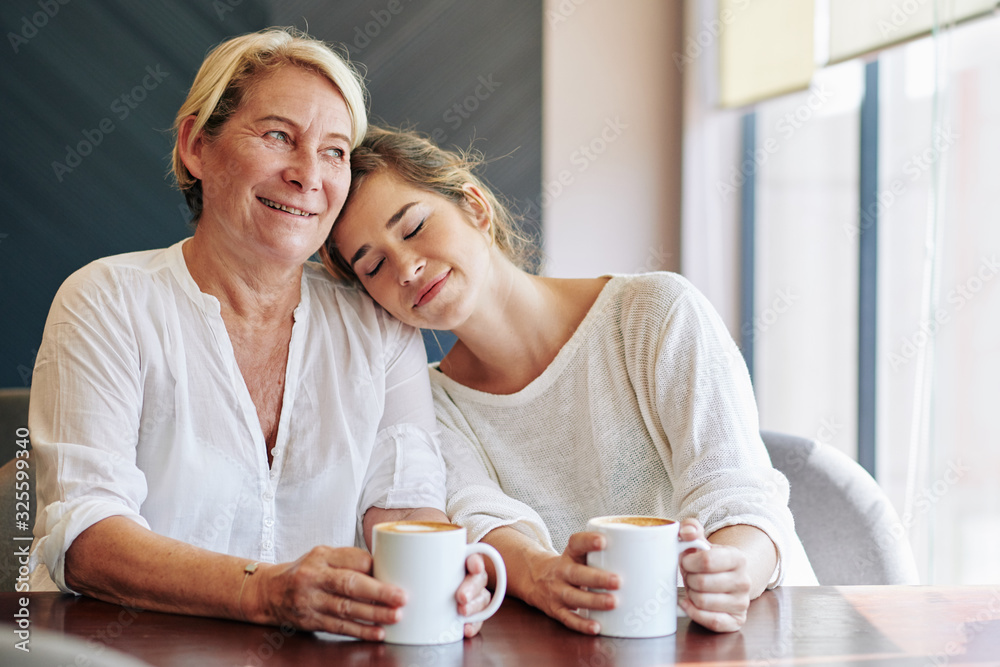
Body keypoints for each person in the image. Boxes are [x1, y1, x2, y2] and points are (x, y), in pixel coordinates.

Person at [28, 29, 491, 641]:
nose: (308, 175)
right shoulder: (106, 300)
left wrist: (442, 571)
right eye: (278, 136)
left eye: (333, 151)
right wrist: (266, 591)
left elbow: (404, 505)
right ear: (196, 147)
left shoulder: (377, 325)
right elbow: (86, 537)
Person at [324, 126, 819, 635]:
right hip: (596, 645)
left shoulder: (655, 314)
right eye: (375, 265)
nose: (406, 268)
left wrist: (734, 568)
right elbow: (482, 518)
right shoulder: (429, 404)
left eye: (413, 228)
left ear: (474, 207)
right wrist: (541, 573)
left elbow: (737, 491)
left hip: (759, 633)